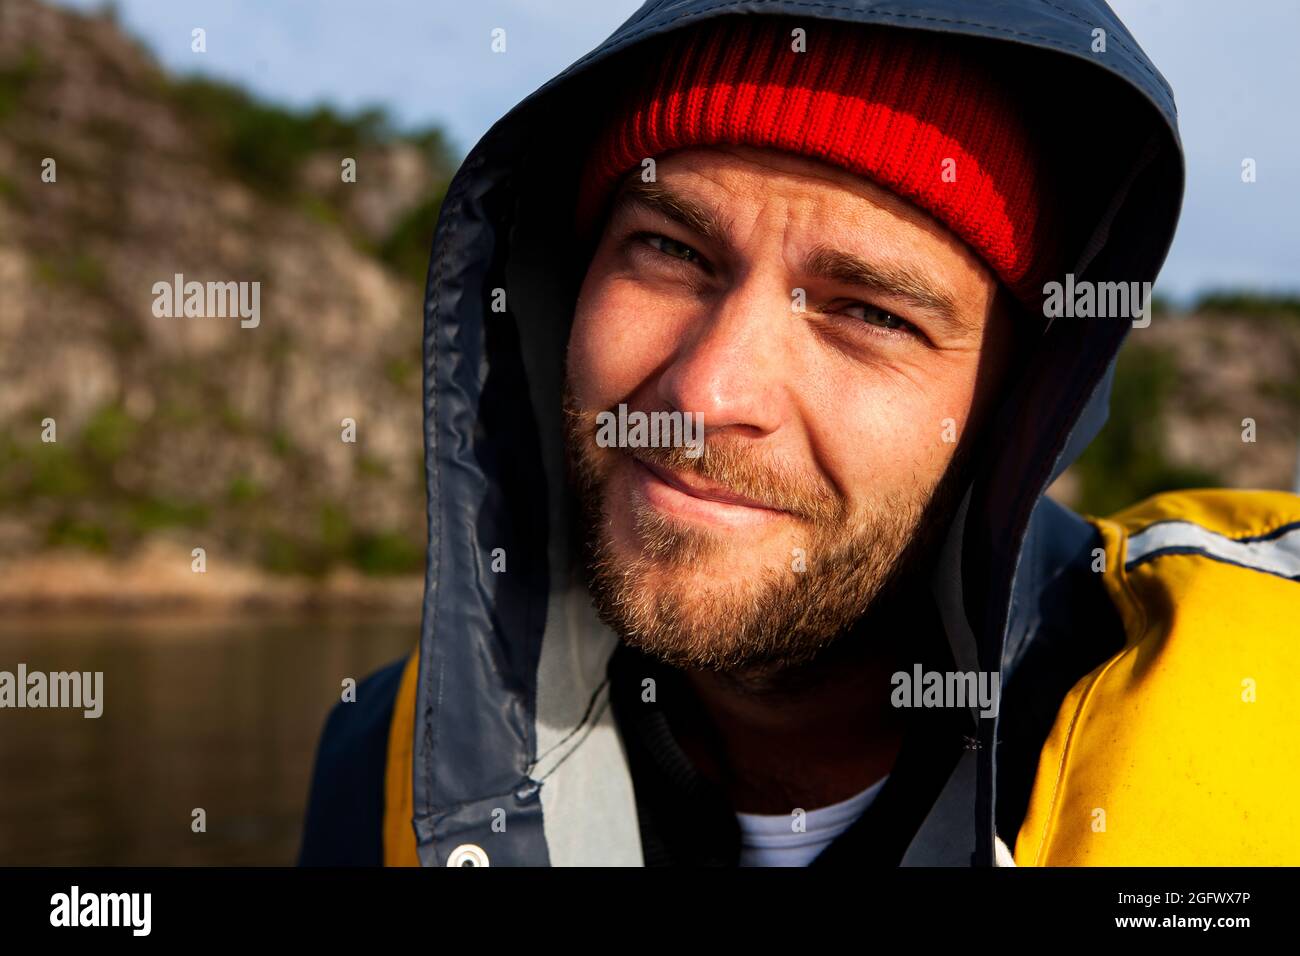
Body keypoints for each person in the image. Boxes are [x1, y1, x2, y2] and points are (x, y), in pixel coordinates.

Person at [299, 0, 1300, 867]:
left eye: (868, 312)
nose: (706, 386)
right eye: (668, 249)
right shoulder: (392, 761)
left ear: (1018, 408)